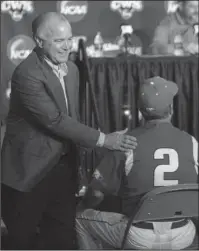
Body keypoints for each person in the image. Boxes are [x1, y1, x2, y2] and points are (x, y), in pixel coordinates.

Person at [1, 12, 137, 250]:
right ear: (39, 41)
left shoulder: (72, 70)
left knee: (62, 238)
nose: (66, 47)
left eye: (69, 39)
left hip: (63, 169)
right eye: (58, 41)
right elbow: (55, 121)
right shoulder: (26, 74)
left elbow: (71, 119)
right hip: (29, 172)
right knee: (22, 240)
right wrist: (105, 140)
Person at [76, 76, 198, 250]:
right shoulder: (191, 142)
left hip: (140, 236)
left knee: (80, 218)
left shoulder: (125, 143)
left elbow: (95, 195)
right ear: (171, 109)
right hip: (183, 233)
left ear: (140, 111)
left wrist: (83, 206)